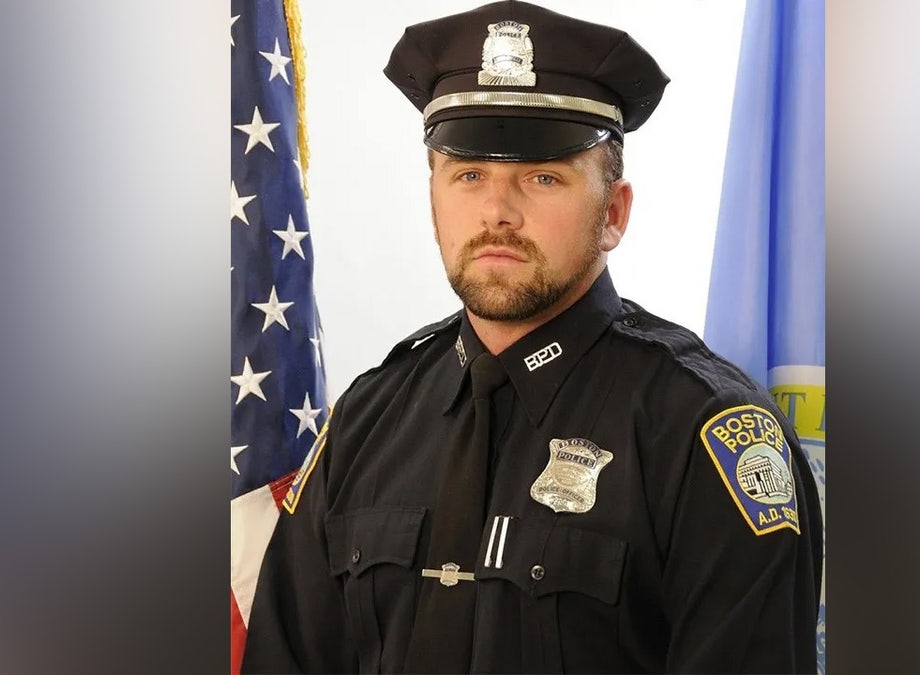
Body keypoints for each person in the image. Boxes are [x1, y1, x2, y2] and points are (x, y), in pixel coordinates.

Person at [242, 1, 823, 673]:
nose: (497, 211)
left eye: (543, 177)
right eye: (469, 175)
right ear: (433, 198)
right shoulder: (366, 423)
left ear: (614, 212)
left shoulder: (701, 435)